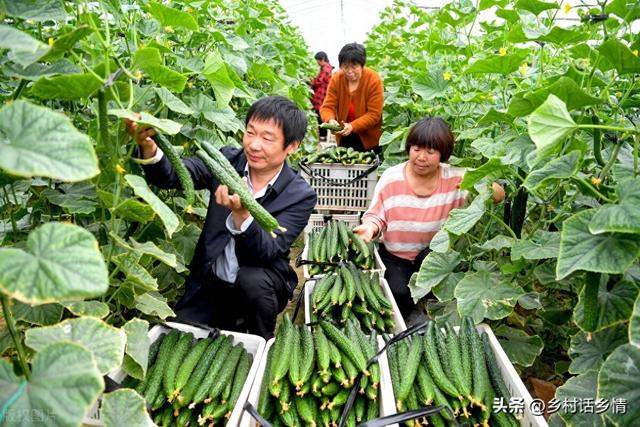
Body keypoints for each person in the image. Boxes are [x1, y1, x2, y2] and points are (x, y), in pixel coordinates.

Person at [125, 96, 317, 339]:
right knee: (178, 336)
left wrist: (242, 216)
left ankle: (261, 340)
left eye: (267, 138)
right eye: (250, 132)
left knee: (253, 282)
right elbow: (174, 175)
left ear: (292, 146)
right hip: (211, 280)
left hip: (259, 285)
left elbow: (268, 250)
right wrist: (150, 147)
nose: (254, 145)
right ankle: (222, 316)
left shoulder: (300, 195)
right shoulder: (225, 161)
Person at [353, 117, 505, 317]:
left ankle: (429, 304)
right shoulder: (391, 177)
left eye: (430, 152)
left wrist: (479, 183)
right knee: (397, 294)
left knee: (440, 287)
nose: (421, 157)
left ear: (443, 153)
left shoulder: (456, 179)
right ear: (408, 148)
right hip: (396, 255)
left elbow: (497, 195)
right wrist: (370, 228)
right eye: (416, 149)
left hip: (433, 255)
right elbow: (376, 215)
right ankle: (413, 307)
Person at [320, 42, 383, 152]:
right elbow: (327, 107)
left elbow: (374, 114)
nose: (349, 71)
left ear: (362, 65)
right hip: (344, 135)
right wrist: (330, 120)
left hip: (369, 139)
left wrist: (353, 126)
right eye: (345, 66)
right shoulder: (336, 79)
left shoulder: (373, 79)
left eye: (354, 67)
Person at [311, 51, 333, 142]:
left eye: (318, 61)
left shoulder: (326, 68)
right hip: (321, 96)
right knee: (320, 115)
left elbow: (319, 81)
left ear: (322, 59)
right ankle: (323, 136)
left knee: (320, 116)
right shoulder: (327, 68)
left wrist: (311, 81)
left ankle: (323, 136)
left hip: (321, 97)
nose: (317, 63)